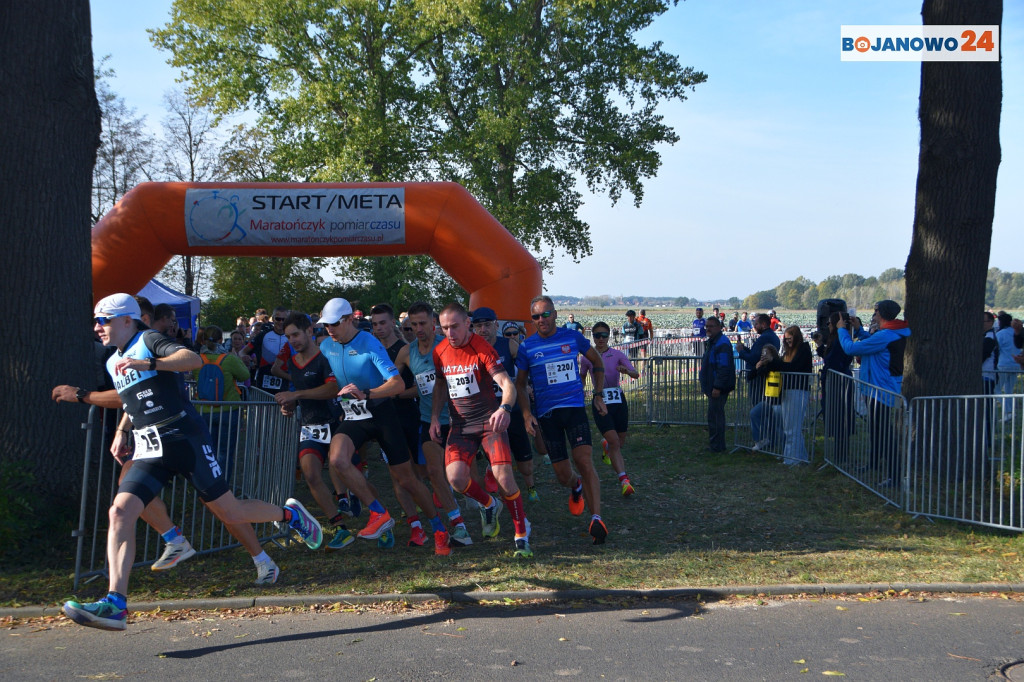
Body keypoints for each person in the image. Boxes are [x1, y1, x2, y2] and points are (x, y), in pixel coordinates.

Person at [63, 294, 321, 631]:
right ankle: (116, 602)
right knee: (120, 510)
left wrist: (152, 363)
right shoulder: (114, 361)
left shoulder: (148, 340)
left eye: (104, 320)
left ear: (127, 320)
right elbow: (128, 398)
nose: (97, 327)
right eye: (96, 321)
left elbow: (191, 360)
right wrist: (117, 425)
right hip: (150, 448)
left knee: (230, 511)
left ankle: (289, 514)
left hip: (185, 440)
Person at [317, 297, 451, 555]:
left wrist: (367, 394)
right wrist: (297, 396)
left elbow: (398, 384)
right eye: (326, 325)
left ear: (348, 320)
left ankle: (438, 527)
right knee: (338, 460)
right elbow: (333, 380)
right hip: (355, 416)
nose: (329, 329)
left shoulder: (368, 343)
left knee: (407, 480)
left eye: (334, 324)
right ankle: (378, 514)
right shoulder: (326, 347)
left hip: (381, 413)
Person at [430, 303, 533, 558]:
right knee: (455, 479)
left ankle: (521, 535)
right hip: (461, 426)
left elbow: (506, 384)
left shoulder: (482, 348)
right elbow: (441, 385)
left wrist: (505, 409)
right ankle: (489, 504)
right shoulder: (440, 351)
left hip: (490, 422)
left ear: (467, 323)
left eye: (455, 326)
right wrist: (434, 417)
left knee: (505, 479)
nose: (450, 333)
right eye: (444, 328)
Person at [515, 295, 609, 545]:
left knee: (584, 460)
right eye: (535, 316)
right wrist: (526, 414)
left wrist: (598, 394)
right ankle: (575, 485)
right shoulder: (527, 346)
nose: (541, 320)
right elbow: (521, 385)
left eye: (545, 314)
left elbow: (596, 361)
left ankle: (596, 518)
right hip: (547, 415)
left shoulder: (572, 337)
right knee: (562, 475)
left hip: (574, 408)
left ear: (555, 314)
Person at [273, 312, 358, 552]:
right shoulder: (292, 362)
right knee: (310, 475)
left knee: (346, 471)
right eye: (288, 336)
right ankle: (341, 529)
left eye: (296, 334)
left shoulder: (324, 357)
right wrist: (289, 405)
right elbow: (298, 392)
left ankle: (377, 514)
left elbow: (332, 389)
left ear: (310, 331)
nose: (293, 340)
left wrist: (296, 395)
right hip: (310, 426)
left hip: (335, 421)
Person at [394, 301, 474, 546]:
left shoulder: (447, 345)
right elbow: (394, 382)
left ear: (433, 323)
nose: (418, 328)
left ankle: (488, 505)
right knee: (433, 472)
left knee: (461, 476)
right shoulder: (407, 353)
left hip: (458, 418)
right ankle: (458, 524)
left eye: (422, 323)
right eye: (413, 324)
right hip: (429, 420)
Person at [837, 300, 911, 487]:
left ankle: (895, 477)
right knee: (876, 430)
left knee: (885, 433)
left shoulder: (886, 335)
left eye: (876, 312)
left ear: (882, 314)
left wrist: (842, 330)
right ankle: (874, 464)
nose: (874, 315)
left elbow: (850, 348)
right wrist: (860, 330)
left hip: (881, 391)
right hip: (879, 388)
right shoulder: (894, 332)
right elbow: (872, 342)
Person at [471, 306, 539, 502]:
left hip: (512, 409)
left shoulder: (508, 345)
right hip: (487, 413)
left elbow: (525, 370)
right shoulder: (471, 349)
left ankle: (531, 486)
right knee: (499, 458)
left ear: (495, 325)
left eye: (486, 325)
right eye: (478, 326)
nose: (482, 330)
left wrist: (527, 386)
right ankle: (501, 487)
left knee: (524, 460)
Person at [579, 321, 639, 496]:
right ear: (593, 337)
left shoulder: (617, 354)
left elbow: (635, 373)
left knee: (619, 442)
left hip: (618, 401)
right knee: (614, 442)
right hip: (600, 401)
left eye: (604, 335)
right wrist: (580, 390)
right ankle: (624, 481)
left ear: (609, 337)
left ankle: (606, 445)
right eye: (597, 335)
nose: (601, 339)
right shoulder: (587, 357)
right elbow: (582, 376)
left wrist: (627, 371)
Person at [192, 326, 250, 481]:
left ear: (203, 340)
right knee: (224, 452)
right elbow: (245, 374)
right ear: (220, 341)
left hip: (203, 410)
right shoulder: (228, 359)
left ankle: (207, 486)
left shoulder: (197, 359)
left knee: (207, 451)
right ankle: (223, 489)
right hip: (228, 411)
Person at [758, 326, 813, 465]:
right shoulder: (788, 353)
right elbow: (781, 366)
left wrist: (773, 361)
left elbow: (792, 367)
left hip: (798, 391)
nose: (788, 342)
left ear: (797, 337)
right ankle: (800, 457)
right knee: (791, 427)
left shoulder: (804, 350)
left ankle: (791, 460)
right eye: (786, 339)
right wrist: (766, 363)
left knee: (791, 428)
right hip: (787, 391)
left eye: (790, 339)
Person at [734, 313, 781, 448]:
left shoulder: (764, 338)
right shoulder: (772, 337)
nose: (754, 327)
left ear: (764, 324)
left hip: (758, 378)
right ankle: (770, 439)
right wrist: (746, 349)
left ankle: (765, 438)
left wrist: (741, 352)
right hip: (764, 378)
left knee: (759, 409)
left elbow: (755, 359)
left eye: (756, 324)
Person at [817, 312, 855, 462]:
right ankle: (839, 454)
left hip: (839, 383)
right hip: (835, 380)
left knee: (840, 418)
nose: (828, 326)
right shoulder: (838, 339)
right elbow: (829, 357)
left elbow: (833, 360)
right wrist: (821, 346)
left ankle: (841, 456)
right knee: (836, 418)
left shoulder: (841, 339)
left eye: (829, 323)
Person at [699, 315, 735, 452]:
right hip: (713, 385)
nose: (708, 328)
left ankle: (718, 447)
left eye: (711, 326)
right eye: (706, 326)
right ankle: (715, 445)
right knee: (713, 416)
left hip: (718, 387)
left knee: (716, 417)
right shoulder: (713, 342)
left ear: (719, 327)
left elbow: (723, 367)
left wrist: (717, 387)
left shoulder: (722, 343)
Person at [240, 307, 290, 394]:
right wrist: (244, 357)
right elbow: (243, 351)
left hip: (285, 379)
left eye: (284, 319)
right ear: (273, 319)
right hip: (264, 378)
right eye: (278, 319)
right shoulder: (263, 335)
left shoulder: (292, 336)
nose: (281, 322)